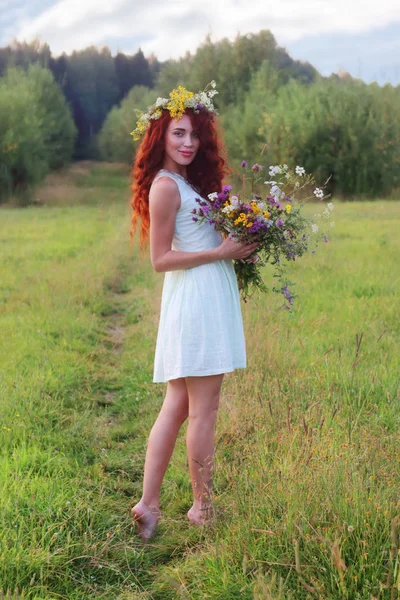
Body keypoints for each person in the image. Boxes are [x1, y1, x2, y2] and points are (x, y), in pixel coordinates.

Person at [129, 83, 259, 540]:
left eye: (194, 134)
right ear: (160, 137)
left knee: (180, 405)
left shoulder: (183, 183)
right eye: (178, 133)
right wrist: (221, 252)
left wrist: (237, 248)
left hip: (200, 296)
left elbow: (204, 242)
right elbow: (160, 259)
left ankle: (149, 505)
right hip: (196, 300)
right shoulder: (166, 188)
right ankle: (201, 508)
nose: (188, 142)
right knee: (203, 409)